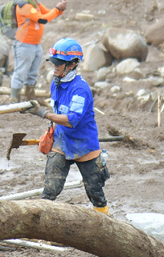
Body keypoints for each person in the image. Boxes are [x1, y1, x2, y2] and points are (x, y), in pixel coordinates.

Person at [25, 38, 109, 213]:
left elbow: (72, 120)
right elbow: (59, 111)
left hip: (85, 145)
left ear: (71, 64)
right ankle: (41, 226)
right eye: (53, 63)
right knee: (50, 190)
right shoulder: (56, 84)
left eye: (59, 63)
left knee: (95, 193)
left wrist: (43, 113)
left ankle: (105, 223)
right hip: (62, 142)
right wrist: (50, 132)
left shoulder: (80, 89)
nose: (54, 67)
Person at [10, 0, 67, 101]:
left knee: (32, 74)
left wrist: (59, 9)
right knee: (20, 74)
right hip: (24, 45)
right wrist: (58, 8)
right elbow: (42, 19)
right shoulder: (23, 5)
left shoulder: (34, 2)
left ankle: (30, 99)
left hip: (35, 44)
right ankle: (14, 101)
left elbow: (48, 13)